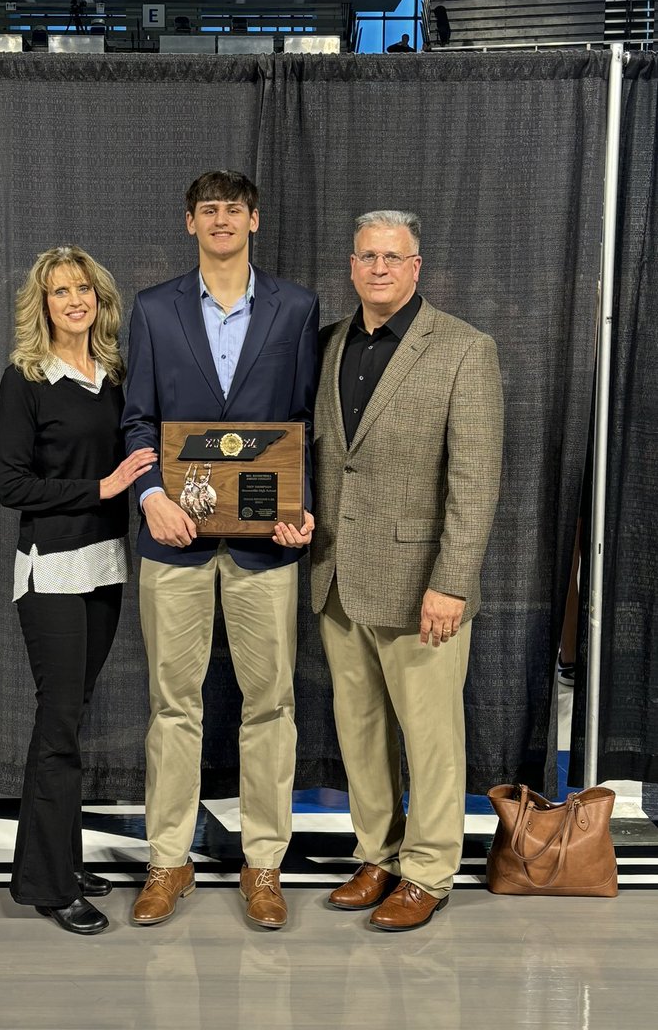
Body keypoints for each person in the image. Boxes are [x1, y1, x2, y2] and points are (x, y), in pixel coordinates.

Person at [123, 170, 319, 930]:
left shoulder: (296, 308)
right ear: (190, 224)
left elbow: (302, 425)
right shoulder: (152, 309)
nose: (221, 221)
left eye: (233, 210)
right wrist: (151, 497)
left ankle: (263, 866)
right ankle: (167, 862)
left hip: (264, 546)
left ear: (255, 221)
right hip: (173, 542)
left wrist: (301, 510)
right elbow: (138, 422)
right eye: (208, 211)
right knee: (174, 707)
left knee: (270, 705)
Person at [311, 210, 503, 931]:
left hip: (425, 586)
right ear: (352, 266)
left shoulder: (463, 349)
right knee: (359, 732)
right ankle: (378, 857)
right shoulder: (329, 345)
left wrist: (451, 582)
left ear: (417, 267)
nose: (380, 268)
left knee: (429, 738)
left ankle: (428, 871)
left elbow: (476, 480)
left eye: (394, 257)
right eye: (368, 256)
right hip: (337, 577)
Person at [0, 246, 156, 936]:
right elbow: (12, 486)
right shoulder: (25, 378)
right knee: (58, 726)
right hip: (51, 571)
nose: (74, 301)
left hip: (105, 567)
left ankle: (52, 857)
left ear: (99, 297)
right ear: (44, 304)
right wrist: (105, 487)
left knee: (72, 716)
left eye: (82, 288)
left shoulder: (116, 375)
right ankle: (49, 886)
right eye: (60, 292)